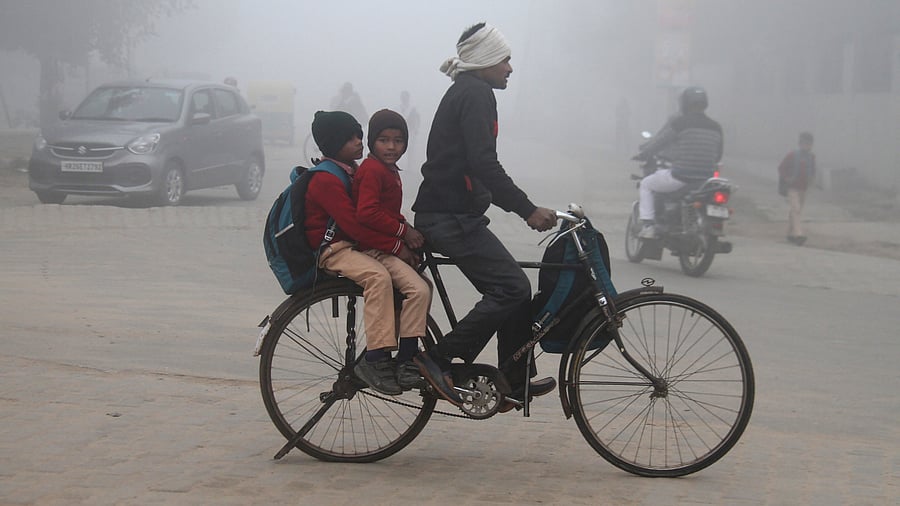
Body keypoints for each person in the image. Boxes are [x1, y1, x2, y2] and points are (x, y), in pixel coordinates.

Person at [411, 22, 558, 410]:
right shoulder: (475, 94)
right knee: (511, 288)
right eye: (505, 60)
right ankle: (439, 360)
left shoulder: (469, 90)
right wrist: (527, 209)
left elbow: (478, 167)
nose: (510, 68)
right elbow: (484, 164)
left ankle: (512, 379)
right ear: (487, 61)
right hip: (448, 216)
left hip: (454, 213)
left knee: (514, 287)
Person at [305, 110, 420, 395]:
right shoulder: (326, 179)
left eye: (359, 135)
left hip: (357, 246)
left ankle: (407, 358)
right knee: (377, 277)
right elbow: (357, 225)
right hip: (333, 249)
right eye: (350, 139)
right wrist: (398, 243)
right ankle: (376, 358)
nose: (359, 142)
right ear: (333, 145)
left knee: (416, 288)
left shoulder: (353, 171)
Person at [353, 108, 432, 389]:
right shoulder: (373, 170)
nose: (391, 147)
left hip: (385, 245)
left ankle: (406, 353)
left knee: (422, 288)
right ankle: (400, 359)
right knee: (419, 290)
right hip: (374, 249)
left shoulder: (388, 170)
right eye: (384, 140)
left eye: (398, 141)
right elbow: (367, 213)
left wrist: (406, 230)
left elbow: (388, 210)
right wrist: (402, 234)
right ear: (373, 141)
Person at [633, 86, 724, 238]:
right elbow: (718, 156)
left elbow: (659, 142)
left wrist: (644, 154)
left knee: (646, 184)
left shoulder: (680, 123)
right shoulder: (716, 127)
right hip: (706, 180)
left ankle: (648, 226)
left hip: (681, 176)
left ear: (685, 103)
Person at [778, 132, 816, 246]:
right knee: (796, 209)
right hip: (792, 188)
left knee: (795, 211)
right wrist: (786, 178)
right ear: (800, 144)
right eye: (805, 144)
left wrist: (812, 182)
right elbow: (781, 168)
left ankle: (790, 234)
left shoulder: (811, 157)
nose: (807, 146)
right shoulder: (792, 155)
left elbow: (813, 171)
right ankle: (798, 234)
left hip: (803, 189)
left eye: (809, 144)